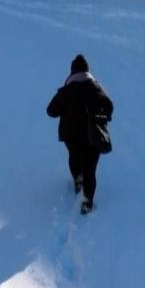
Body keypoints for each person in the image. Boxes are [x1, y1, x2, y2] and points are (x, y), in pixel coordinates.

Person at [47, 54, 113, 214]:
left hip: (71, 136)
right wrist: (104, 117)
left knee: (75, 159)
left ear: (72, 72)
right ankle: (87, 202)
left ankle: (78, 180)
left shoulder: (66, 91)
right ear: (87, 71)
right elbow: (109, 106)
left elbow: (51, 111)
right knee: (90, 168)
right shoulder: (96, 88)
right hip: (94, 135)